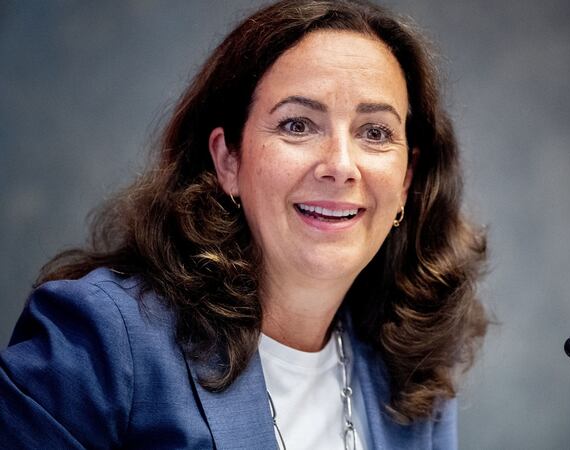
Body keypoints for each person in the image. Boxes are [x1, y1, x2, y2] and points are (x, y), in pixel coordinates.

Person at [0, 0, 488, 448]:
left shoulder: (413, 379)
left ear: (405, 181)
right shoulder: (98, 339)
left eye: (375, 132)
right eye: (298, 124)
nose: (340, 164)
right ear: (228, 160)